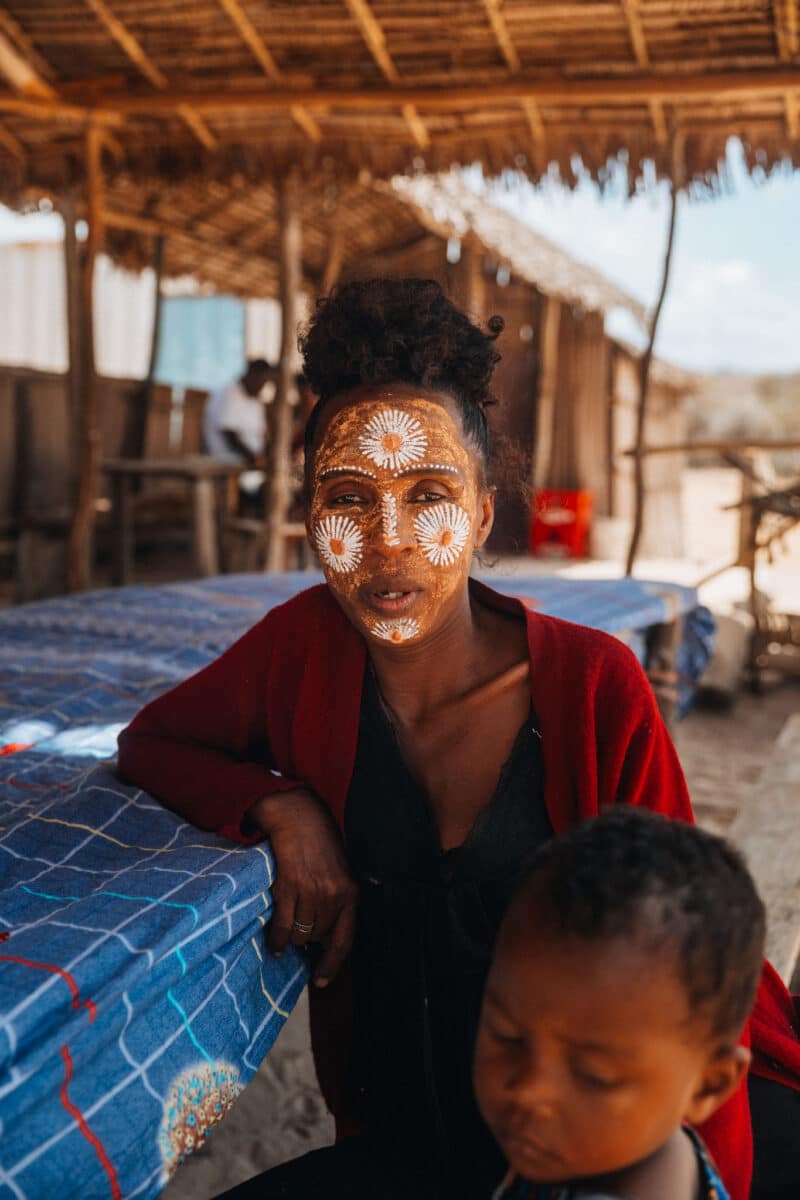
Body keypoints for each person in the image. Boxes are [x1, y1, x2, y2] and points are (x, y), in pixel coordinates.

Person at [116, 279, 800, 1200]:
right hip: (416, 1138)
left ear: (481, 514)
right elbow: (153, 741)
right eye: (348, 499)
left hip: (612, 1140)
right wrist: (279, 804)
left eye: (429, 495)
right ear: (310, 518)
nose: (388, 541)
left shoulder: (594, 686)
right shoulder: (299, 649)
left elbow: (686, 973)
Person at [474, 807, 765, 1200]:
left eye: (595, 1076)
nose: (528, 1091)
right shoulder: (620, 1151)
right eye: (507, 1037)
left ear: (708, 1085)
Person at [203, 358, 277, 510]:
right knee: (262, 491)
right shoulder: (229, 393)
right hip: (227, 457)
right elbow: (229, 434)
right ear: (252, 375)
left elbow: (261, 434)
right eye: (262, 382)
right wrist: (254, 458)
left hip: (249, 459)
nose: (262, 387)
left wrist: (265, 455)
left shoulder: (255, 399)